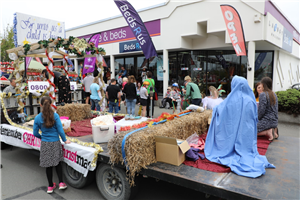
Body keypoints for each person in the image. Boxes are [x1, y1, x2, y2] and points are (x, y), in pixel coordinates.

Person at [205, 76, 275, 178]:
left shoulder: (231, 99)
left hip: (232, 134)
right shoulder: (250, 99)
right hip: (246, 136)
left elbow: (219, 110)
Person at [33, 96, 71, 194]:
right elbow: (60, 130)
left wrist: (42, 137)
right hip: (55, 142)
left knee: (48, 165)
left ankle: (50, 186)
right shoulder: (55, 116)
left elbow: (35, 133)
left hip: (45, 143)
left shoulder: (37, 118)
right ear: (51, 104)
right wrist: (65, 140)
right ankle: (61, 183)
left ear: (40, 105)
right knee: (57, 163)